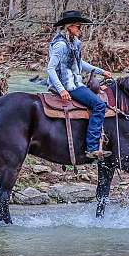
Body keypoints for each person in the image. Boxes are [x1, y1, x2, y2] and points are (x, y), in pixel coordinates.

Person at [46, 10, 113, 160]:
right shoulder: (60, 45)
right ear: (69, 27)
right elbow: (50, 68)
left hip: (76, 82)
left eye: (80, 26)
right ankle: (92, 147)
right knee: (99, 105)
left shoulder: (75, 43)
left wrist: (101, 71)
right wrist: (61, 89)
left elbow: (80, 64)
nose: (80, 29)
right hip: (69, 85)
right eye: (78, 26)